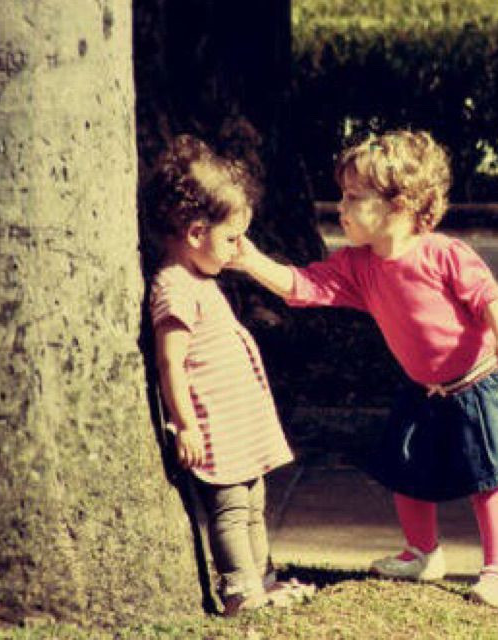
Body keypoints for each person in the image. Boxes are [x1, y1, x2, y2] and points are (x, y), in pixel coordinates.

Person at [229, 130, 498, 608]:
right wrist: (250, 260)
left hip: (476, 385)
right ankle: (423, 553)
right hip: (421, 389)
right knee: (406, 472)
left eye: (353, 197)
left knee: (489, 480)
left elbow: (488, 296)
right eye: (343, 195)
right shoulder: (358, 266)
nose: (340, 207)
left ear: (399, 205)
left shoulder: (443, 252)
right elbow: (300, 286)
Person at [145, 134, 314, 616]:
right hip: (213, 424)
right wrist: (186, 424)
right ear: (196, 233)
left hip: (238, 424)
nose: (239, 249)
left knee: (254, 502)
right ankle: (240, 591)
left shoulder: (198, 278)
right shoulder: (175, 287)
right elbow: (170, 363)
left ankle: (263, 581)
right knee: (231, 509)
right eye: (232, 239)